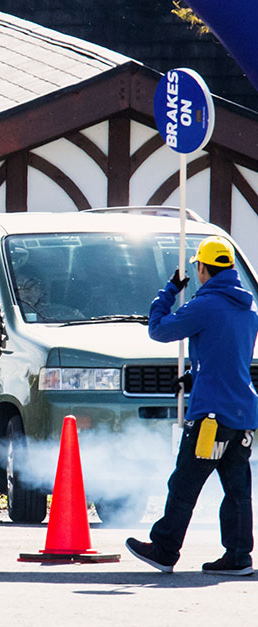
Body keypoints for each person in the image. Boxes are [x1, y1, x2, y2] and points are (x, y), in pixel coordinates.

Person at [126, 236, 258, 575]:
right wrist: (193, 375)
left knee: (185, 484)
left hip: (210, 417)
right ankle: (239, 556)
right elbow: (224, 353)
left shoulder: (205, 304)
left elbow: (159, 329)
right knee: (238, 490)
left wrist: (169, 290)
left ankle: (165, 549)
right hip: (242, 414)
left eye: (198, 267)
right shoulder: (248, 308)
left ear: (202, 268)